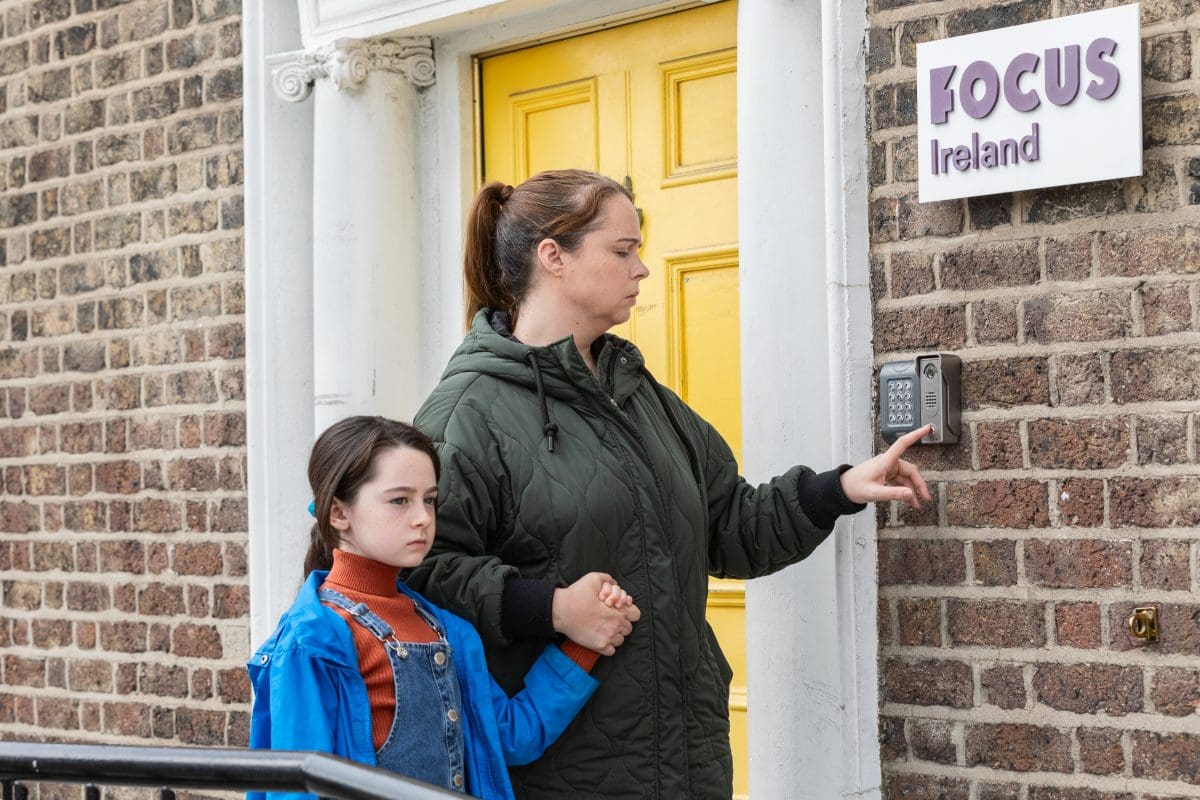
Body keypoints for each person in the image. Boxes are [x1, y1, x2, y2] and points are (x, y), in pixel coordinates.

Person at [405, 169, 933, 799]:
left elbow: (730, 528)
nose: (644, 269)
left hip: (688, 763)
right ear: (554, 258)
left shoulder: (639, 394)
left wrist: (839, 490)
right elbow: (420, 574)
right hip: (563, 772)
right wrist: (552, 607)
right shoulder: (465, 412)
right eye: (622, 251)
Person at [247, 416, 639, 800]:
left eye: (430, 500)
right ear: (339, 513)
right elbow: (298, 790)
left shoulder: (449, 631)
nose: (423, 518)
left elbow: (514, 735)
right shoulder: (312, 642)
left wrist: (584, 645)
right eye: (400, 500)